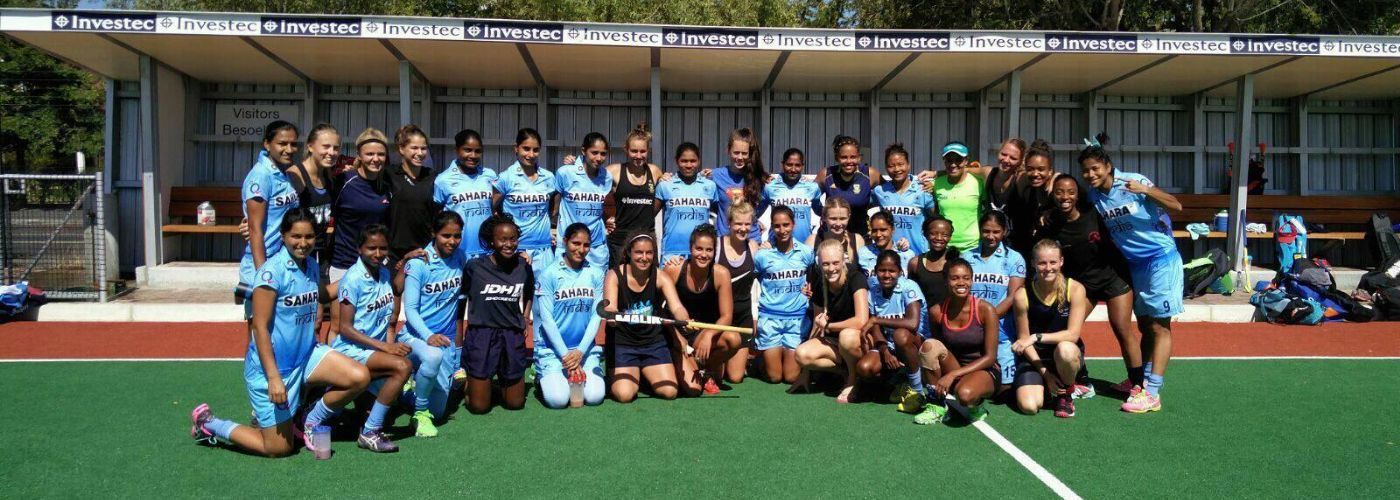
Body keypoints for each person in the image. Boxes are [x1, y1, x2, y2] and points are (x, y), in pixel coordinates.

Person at [191, 211, 370, 459]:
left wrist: (361, 272)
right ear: (283, 236)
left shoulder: (311, 265)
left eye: (309, 236)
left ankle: (309, 420)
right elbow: (259, 328)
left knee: (359, 377)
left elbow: (321, 294)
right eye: (296, 236)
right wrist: (274, 379)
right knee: (278, 448)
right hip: (274, 370)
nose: (303, 243)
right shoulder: (271, 273)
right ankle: (209, 423)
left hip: (307, 356)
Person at [1081, 134, 1183, 414]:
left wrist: (1146, 190)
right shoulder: (1093, 196)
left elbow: (1175, 204)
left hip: (1160, 259)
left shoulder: (1133, 181)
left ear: (1108, 166)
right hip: (1134, 265)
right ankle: (1140, 381)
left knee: (1160, 326)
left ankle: (1153, 393)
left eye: (1095, 168)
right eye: (1086, 171)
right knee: (1145, 326)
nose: (1090, 175)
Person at [1037, 173, 1139, 398]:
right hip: (1083, 286)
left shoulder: (1094, 213)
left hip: (1113, 279)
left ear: (1078, 195)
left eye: (1070, 192)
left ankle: (1137, 384)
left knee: (1122, 329)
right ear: (1053, 196)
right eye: (1059, 192)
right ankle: (1081, 380)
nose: (1065, 197)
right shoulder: (1051, 222)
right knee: (1065, 328)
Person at [332, 224, 413, 451]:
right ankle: (370, 432)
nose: (378, 254)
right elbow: (345, 329)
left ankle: (356, 411)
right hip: (351, 349)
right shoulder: (352, 279)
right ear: (359, 249)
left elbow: (396, 289)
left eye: (383, 248)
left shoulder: (384, 272)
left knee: (375, 408)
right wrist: (385, 347)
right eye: (371, 248)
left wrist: (406, 260)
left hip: (372, 350)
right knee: (402, 367)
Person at [399, 211, 469, 437]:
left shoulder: (461, 257)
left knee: (438, 412)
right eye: (446, 235)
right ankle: (417, 407)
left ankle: (409, 391)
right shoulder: (419, 263)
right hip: (415, 337)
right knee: (432, 357)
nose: (452, 241)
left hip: (444, 340)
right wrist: (428, 335)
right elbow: (410, 309)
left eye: (457, 236)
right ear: (433, 234)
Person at [604, 233, 692, 403]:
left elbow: (677, 307)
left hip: (653, 342)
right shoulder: (614, 275)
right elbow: (610, 306)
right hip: (624, 343)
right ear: (629, 253)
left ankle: (643, 376)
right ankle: (625, 374)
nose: (644, 258)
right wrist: (611, 315)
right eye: (639, 252)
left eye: (649, 253)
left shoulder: (661, 276)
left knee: (669, 391)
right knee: (624, 395)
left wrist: (684, 319)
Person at [461, 214, 535, 414]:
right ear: (492, 241)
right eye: (503, 239)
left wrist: (525, 317)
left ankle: (495, 384)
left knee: (515, 404)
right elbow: (462, 298)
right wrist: (460, 335)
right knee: (479, 407)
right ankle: (472, 385)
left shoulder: (523, 266)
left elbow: (529, 292)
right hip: (482, 334)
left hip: (511, 334)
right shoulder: (475, 267)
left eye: (513, 239)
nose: (509, 244)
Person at [912, 259, 1000, 425]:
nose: (961, 283)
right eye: (955, 278)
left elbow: (990, 357)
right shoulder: (936, 311)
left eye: (966, 278)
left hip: (984, 369)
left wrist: (952, 375)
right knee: (929, 345)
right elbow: (938, 348)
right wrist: (941, 375)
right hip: (955, 367)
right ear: (946, 281)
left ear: (972, 280)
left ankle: (977, 405)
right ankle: (936, 405)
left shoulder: (986, 310)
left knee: (964, 395)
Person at [1010, 240, 1089, 418]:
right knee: (1029, 407)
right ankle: (1047, 386)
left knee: (1066, 349)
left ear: (1061, 261)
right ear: (1033, 263)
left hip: (1064, 354)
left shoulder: (1075, 289)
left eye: (1053, 262)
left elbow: (1072, 335)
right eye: (1042, 263)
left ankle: (1066, 394)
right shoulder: (1022, 295)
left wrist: (1036, 337)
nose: (1048, 268)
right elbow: (1024, 340)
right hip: (1035, 359)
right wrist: (1045, 374)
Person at [329, 128, 394, 340]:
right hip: (344, 263)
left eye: (380, 154)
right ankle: (333, 361)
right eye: (370, 154)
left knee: (374, 323)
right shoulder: (343, 182)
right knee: (338, 325)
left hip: (376, 265)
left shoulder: (388, 185)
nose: (376, 159)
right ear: (359, 154)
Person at [534, 223, 607, 408]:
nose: (581, 250)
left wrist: (580, 352)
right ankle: (541, 374)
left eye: (586, 245)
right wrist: (566, 356)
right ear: (565, 241)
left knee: (595, 397)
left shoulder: (596, 273)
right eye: (576, 243)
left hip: (584, 349)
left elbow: (596, 315)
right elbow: (547, 320)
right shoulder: (549, 274)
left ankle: (570, 372)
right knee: (558, 400)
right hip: (553, 350)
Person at [793, 239, 870, 402]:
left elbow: (862, 320)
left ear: (843, 261)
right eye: (825, 264)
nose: (831, 268)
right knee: (801, 355)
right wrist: (805, 373)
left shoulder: (856, 278)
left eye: (835, 263)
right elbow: (817, 324)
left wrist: (829, 326)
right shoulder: (820, 283)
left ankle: (853, 380)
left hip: (859, 339)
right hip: (835, 342)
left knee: (846, 337)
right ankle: (844, 372)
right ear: (819, 264)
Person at [664, 224, 737, 396]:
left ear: (714, 252)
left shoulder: (721, 274)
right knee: (693, 390)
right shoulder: (673, 269)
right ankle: (684, 364)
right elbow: (658, 309)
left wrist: (709, 334)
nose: (703, 255)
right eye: (699, 249)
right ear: (690, 248)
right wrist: (677, 338)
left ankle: (707, 370)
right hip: (675, 334)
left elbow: (727, 316)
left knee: (733, 339)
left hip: (701, 334)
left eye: (709, 250)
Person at [238, 121, 300, 314]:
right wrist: (263, 273)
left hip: (283, 262)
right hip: (262, 262)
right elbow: (255, 229)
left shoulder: (285, 173)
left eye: (293, 144)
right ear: (267, 144)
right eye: (282, 143)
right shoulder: (260, 176)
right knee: (259, 327)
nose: (289, 149)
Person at [961, 211, 1026, 389]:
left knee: (1005, 387)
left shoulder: (1014, 259)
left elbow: (1013, 296)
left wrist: (989, 319)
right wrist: (974, 321)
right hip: (971, 327)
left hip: (1002, 330)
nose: (990, 236)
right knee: (968, 385)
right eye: (986, 231)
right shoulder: (966, 257)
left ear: (1004, 231)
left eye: (996, 232)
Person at [753, 206, 815, 385]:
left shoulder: (806, 252)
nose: (782, 230)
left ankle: (776, 354)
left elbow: (813, 277)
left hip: (797, 320)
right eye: (777, 226)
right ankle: (759, 359)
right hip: (770, 319)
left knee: (791, 377)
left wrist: (809, 289)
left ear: (793, 224)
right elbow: (752, 285)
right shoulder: (762, 256)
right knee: (774, 377)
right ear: (772, 227)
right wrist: (754, 317)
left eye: (786, 225)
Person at [865, 250, 927, 413]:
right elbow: (875, 327)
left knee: (901, 334)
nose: (887, 275)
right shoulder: (873, 292)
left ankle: (917, 391)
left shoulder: (909, 287)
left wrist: (877, 319)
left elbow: (912, 323)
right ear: (875, 271)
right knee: (865, 368)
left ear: (900, 272)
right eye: (882, 270)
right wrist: (884, 350)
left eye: (892, 271)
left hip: (916, 342)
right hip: (890, 344)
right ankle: (900, 379)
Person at [494, 128, 557, 270]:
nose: (531, 154)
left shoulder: (548, 177)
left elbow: (552, 208)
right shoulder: (505, 178)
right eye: (526, 149)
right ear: (516, 148)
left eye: (536, 150)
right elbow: (491, 210)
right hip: (515, 249)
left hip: (543, 249)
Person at [434, 129, 498, 260]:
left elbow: (495, 208)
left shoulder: (490, 175)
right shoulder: (443, 180)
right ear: (457, 150)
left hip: (487, 251)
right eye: (467, 150)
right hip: (458, 251)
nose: (473, 155)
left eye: (478, 151)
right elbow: (437, 217)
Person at [606, 122, 664, 266]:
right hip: (620, 240)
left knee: (649, 279)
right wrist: (604, 218)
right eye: (634, 151)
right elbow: (590, 186)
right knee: (619, 278)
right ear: (626, 150)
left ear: (648, 151)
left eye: (642, 151)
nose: (638, 156)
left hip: (646, 239)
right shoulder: (614, 171)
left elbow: (664, 196)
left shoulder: (655, 172)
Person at [556, 133, 613, 268]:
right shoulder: (565, 173)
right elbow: (554, 206)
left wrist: (609, 220)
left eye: (603, 154)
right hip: (570, 245)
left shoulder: (607, 177)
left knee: (597, 282)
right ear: (583, 151)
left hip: (596, 247)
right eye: (594, 153)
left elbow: (604, 207)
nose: (599, 158)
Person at [718, 201, 760, 384]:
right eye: (738, 223)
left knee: (735, 377)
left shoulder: (754, 247)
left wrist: (755, 319)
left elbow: (760, 286)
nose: (743, 228)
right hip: (719, 316)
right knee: (717, 376)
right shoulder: (716, 246)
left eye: (747, 224)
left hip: (743, 317)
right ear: (729, 223)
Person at [657, 142, 718, 265]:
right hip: (672, 252)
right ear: (676, 161)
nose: (689, 165)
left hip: (701, 252)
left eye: (693, 161)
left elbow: (719, 215)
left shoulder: (710, 186)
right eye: (684, 161)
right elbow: (648, 216)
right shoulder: (665, 185)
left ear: (699, 161)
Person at [872, 142, 938, 256]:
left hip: (918, 255)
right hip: (890, 257)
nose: (897, 169)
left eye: (900, 164)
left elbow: (935, 219)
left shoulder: (922, 190)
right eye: (891, 166)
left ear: (908, 165)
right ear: (886, 168)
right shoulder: (880, 191)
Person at [386, 125, 437, 267]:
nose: (420, 153)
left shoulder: (433, 177)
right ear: (401, 149)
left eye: (423, 148)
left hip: (424, 253)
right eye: (414, 148)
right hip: (394, 255)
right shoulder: (388, 175)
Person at [816, 135, 879, 236]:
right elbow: (810, 198)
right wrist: (824, 214)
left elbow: (889, 194)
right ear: (837, 158)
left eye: (853, 157)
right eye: (844, 157)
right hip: (830, 237)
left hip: (860, 237)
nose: (849, 161)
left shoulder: (870, 174)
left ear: (859, 157)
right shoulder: (826, 174)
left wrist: (870, 203)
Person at [713, 128, 768, 239]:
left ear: (750, 154)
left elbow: (760, 207)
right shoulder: (715, 176)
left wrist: (754, 219)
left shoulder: (759, 178)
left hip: (752, 240)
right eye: (736, 153)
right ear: (728, 151)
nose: (740, 157)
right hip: (725, 240)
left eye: (744, 153)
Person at [763, 148, 823, 244]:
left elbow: (821, 212)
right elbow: (756, 212)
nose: (793, 169)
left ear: (802, 166)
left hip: (804, 245)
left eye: (797, 165)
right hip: (776, 245)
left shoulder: (812, 187)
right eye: (789, 165)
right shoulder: (770, 187)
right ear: (782, 164)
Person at [933, 141, 984, 253]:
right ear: (944, 161)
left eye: (958, 160)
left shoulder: (978, 183)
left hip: (973, 247)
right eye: (949, 160)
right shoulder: (936, 184)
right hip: (945, 247)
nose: (953, 164)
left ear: (966, 161)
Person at [908, 216, 955, 315]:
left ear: (950, 237)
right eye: (933, 233)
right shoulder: (915, 263)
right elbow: (910, 296)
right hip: (924, 319)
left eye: (944, 235)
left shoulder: (956, 262)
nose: (939, 238)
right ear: (925, 234)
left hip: (950, 318)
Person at [805, 197, 864, 265]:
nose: (838, 224)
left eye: (842, 219)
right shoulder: (813, 241)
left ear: (849, 217)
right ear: (824, 217)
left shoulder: (857, 240)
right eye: (833, 219)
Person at [857, 211, 916, 275]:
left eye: (883, 230)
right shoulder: (862, 254)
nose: (878, 234)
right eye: (874, 230)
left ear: (893, 229)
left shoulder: (908, 255)